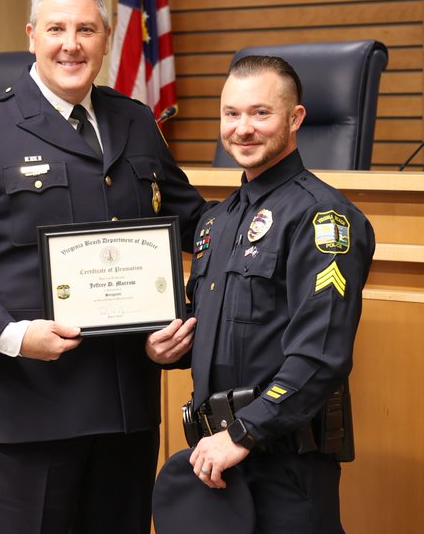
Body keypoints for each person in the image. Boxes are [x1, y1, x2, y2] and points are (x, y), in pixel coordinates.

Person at [0, 0, 208, 534]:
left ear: (105, 40)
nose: (71, 44)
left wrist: (272, 219)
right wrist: (14, 336)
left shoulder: (135, 121)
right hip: (30, 403)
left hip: (125, 404)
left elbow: (193, 223)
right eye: (57, 29)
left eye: (86, 30)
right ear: (31, 37)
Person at [148, 54, 374, 534]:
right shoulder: (216, 222)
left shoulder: (322, 218)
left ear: (295, 119)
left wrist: (244, 431)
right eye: (231, 114)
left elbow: (321, 355)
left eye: (260, 113)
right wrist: (168, 349)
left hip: (284, 464)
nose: (242, 129)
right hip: (219, 460)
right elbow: (226, 330)